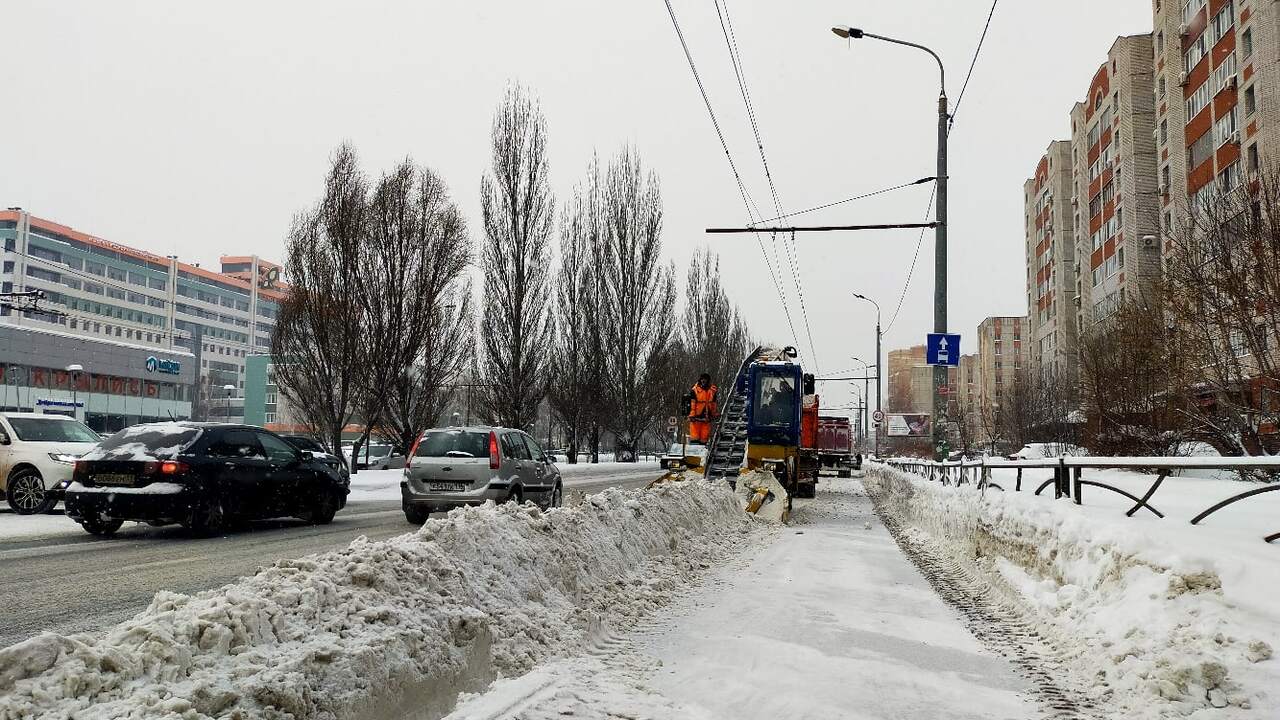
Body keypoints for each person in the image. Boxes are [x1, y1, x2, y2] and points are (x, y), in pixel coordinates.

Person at [686, 373, 719, 444]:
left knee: (704, 439)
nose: (703, 381)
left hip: (706, 418)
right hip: (696, 418)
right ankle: (695, 451)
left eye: (705, 379)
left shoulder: (712, 391)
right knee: (695, 438)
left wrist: (714, 414)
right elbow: (692, 403)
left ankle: (702, 451)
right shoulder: (695, 390)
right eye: (702, 379)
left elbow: (713, 404)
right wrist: (692, 415)